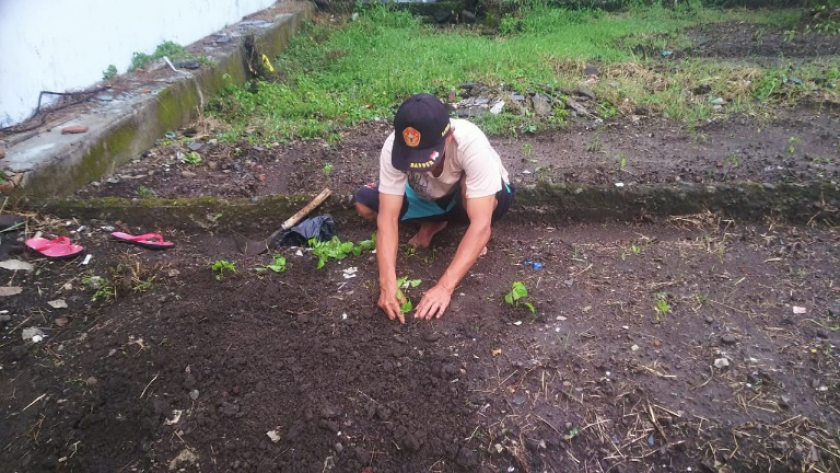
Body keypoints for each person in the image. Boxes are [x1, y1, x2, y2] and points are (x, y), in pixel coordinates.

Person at [353, 93, 514, 323]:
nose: (416, 164)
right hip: (429, 195)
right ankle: (432, 222)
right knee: (365, 202)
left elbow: (481, 224)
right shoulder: (394, 146)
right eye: (410, 158)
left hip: (469, 199)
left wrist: (444, 288)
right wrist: (387, 282)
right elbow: (387, 219)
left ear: (448, 137)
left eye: (425, 156)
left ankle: (469, 240)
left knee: (474, 202)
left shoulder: (470, 142)